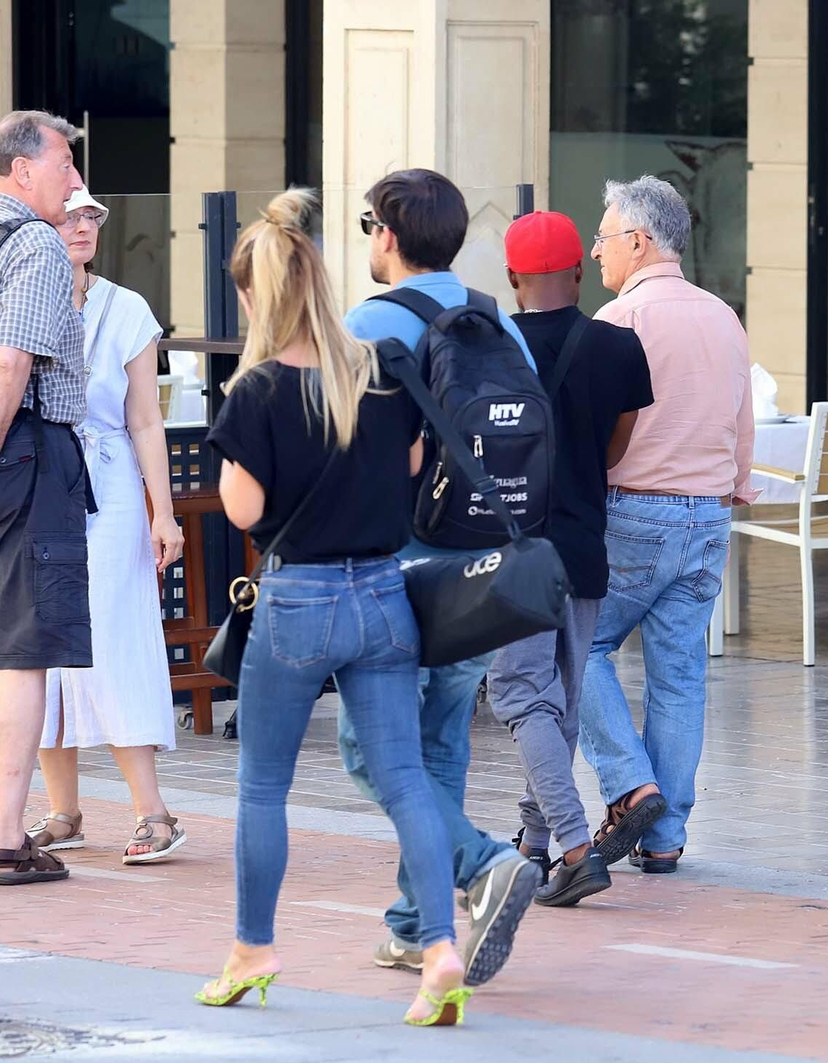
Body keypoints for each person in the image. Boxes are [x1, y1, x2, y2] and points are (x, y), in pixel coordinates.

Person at [198, 189, 475, 1026]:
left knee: (264, 786)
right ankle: (438, 950)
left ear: (258, 296)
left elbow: (243, 510)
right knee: (406, 779)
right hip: (385, 594)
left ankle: (252, 949)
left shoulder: (257, 392)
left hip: (298, 602)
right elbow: (417, 457)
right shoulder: (382, 371)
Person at [336, 168, 541, 979]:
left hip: (398, 558)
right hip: (485, 559)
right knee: (442, 737)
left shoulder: (367, 323)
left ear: (387, 235)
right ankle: (418, 923)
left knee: (369, 747)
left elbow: (347, 450)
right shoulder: (497, 322)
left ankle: (482, 861)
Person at [576, 176, 757, 875]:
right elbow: (740, 423)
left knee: (578, 645)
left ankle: (632, 784)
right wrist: (733, 485)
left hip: (636, 511)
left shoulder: (620, 321)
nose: (597, 252)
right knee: (680, 674)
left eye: (604, 236)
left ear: (639, 241)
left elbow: (597, 431)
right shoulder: (723, 316)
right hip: (710, 513)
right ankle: (665, 835)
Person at [490, 210, 652, 904]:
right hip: (584, 543)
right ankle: (532, 840)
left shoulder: (485, 350)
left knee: (521, 695)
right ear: (580, 274)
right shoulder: (619, 347)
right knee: (558, 702)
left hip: (511, 549)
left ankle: (577, 848)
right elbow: (618, 446)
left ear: (511, 277)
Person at [32, 187, 186, 865]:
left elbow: (145, 420)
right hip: (37, 489)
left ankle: (153, 811)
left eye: (90, 215)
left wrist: (166, 511)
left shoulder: (127, 309)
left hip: (111, 490)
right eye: (68, 215)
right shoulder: (17, 306)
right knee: (35, 643)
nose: (83, 225)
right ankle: (63, 810)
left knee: (113, 635)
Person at [0, 111, 89, 887]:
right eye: (66, 165)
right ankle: (9, 835)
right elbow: (11, 363)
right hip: (17, 456)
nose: (75, 184)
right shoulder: (35, 244)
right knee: (22, 653)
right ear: (21, 170)